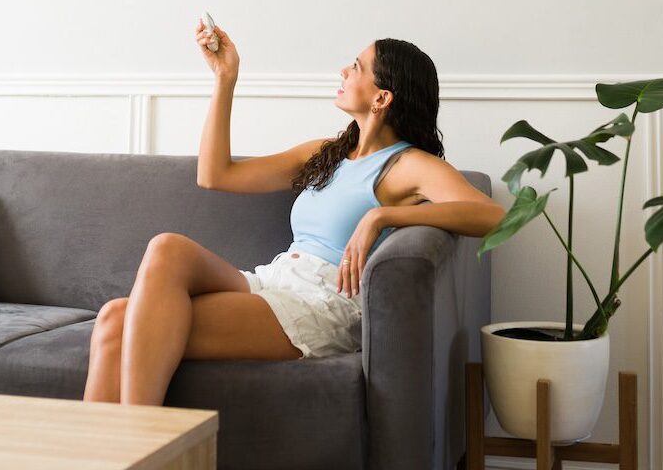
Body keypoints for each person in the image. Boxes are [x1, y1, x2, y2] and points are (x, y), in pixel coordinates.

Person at [82, 20, 505, 406]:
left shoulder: (407, 165)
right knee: (146, 275)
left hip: (323, 302)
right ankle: (121, 448)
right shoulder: (328, 153)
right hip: (276, 280)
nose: (343, 71)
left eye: (356, 67)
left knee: (121, 322)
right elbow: (216, 175)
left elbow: (492, 217)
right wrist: (225, 78)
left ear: (382, 96)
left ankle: (142, 443)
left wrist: (383, 217)